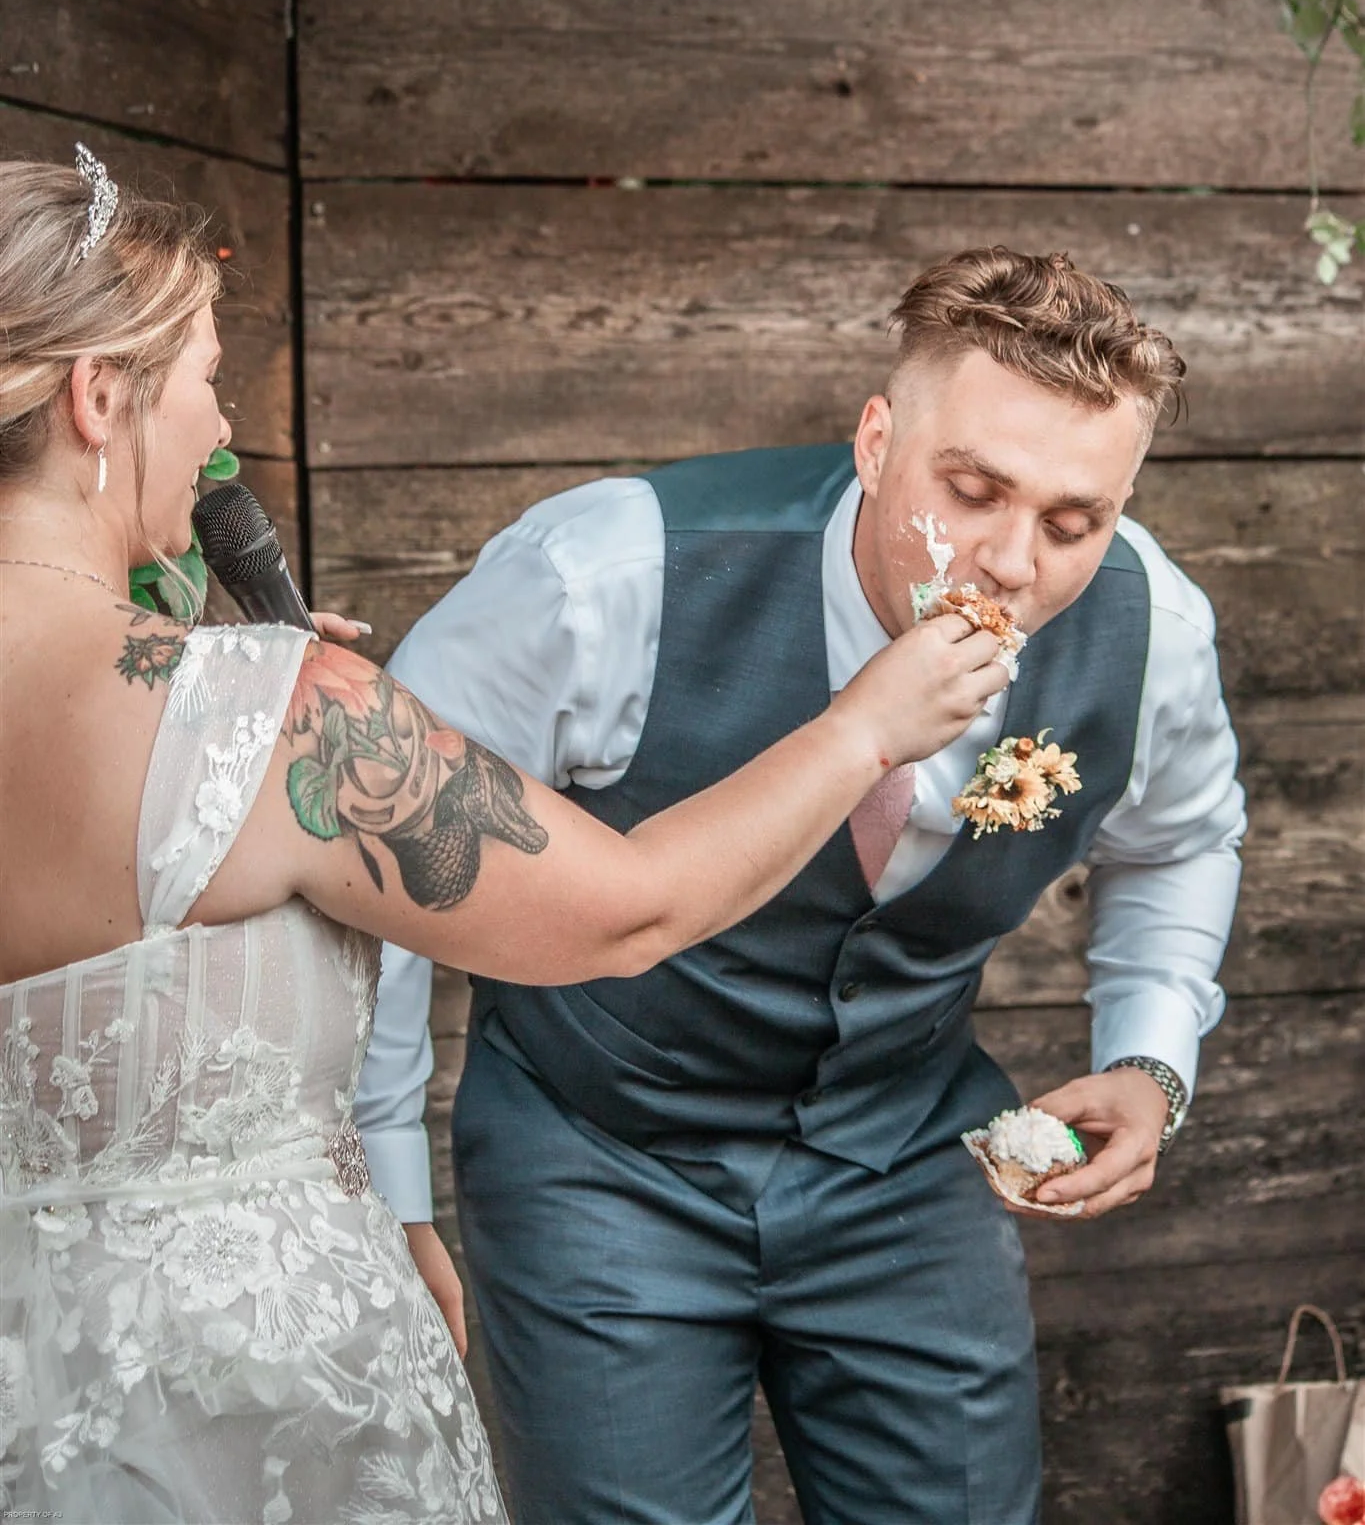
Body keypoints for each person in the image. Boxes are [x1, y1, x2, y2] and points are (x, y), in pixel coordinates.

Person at [0, 154, 1007, 1525]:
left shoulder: (242, 686)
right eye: (204, 379)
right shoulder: (280, 715)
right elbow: (629, 910)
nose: (219, 427)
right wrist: (865, 730)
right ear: (96, 397)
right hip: (236, 1410)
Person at [356, 244, 1246, 1525]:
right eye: (976, 488)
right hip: (599, 1151)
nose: (1010, 563)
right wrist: (385, 1186)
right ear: (878, 439)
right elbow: (388, 869)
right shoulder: (600, 580)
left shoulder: (1150, 623)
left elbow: (1182, 836)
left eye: (1072, 521)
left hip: (906, 1146)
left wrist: (1154, 1055)